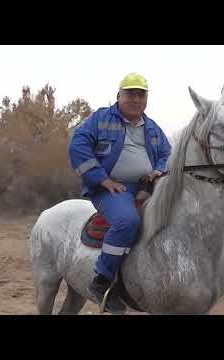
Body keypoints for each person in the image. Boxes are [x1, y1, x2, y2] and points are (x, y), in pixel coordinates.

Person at [68, 73, 171, 313]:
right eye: (130, 94)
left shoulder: (153, 128)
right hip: (112, 188)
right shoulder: (101, 118)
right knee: (127, 221)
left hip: (146, 187)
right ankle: (102, 280)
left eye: (141, 94)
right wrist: (102, 179)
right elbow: (78, 145)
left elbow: (166, 153)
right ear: (119, 96)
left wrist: (157, 170)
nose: (135, 99)